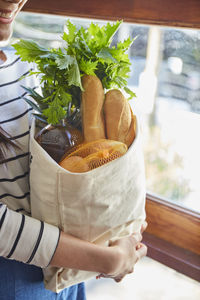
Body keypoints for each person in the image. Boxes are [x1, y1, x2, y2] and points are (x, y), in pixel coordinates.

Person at [0, 0, 148, 299]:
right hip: (11, 275)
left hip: (66, 264)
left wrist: (121, 229)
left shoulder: (19, 64)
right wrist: (109, 259)